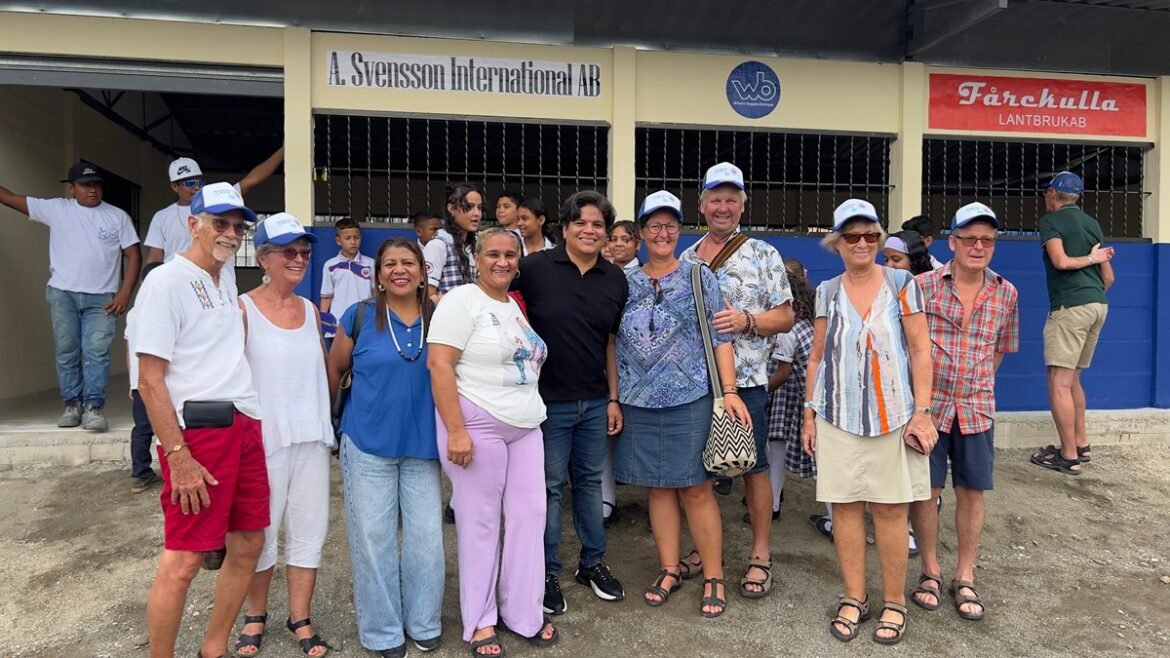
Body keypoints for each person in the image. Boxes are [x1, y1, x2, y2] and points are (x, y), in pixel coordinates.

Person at [134, 182, 268, 658]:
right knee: (186, 558)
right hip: (199, 433)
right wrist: (178, 455)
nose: (231, 233)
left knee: (249, 542)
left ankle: (213, 649)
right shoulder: (165, 282)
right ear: (192, 224)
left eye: (238, 225)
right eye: (220, 223)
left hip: (245, 422)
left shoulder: (225, 278)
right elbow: (150, 380)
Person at [802, 198, 936, 645]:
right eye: (851, 236)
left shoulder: (901, 282)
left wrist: (923, 410)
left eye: (870, 236)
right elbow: (818, 357)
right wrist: (809, 413)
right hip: (838, 415)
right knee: (844, 509)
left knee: (891, 511)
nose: (861, 243)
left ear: (879, 240)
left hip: (893, 415)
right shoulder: (826, 291)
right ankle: (854, 596)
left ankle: (894, 601)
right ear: (836, 242)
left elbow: (920, 349)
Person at [614, 190, 750, 618]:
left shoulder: (698, 276)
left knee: (695, 489)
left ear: (679, 230)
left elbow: (721, 337)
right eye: (653, 226)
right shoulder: (624, 281)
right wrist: (614, 396)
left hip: (690, 396)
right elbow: (611, 340)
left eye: (670, 225)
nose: (662, 233)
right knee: (657, 487)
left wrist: (729, 392)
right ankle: (670, 568)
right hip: (638, 399)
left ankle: (713, 575)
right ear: (641, 233)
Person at [427, 227, 557, 657]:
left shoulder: (512, 306)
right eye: (493, 254)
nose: (502, 262)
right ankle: (480, 620)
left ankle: (523, 611)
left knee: (529, 517)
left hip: (525, 426)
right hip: (477, 426)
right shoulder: (461, 300)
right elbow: (440, 365)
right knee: (480, 524)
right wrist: (457, 430)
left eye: (510, 255)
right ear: (476, 257)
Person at [679, 162, 794, 600]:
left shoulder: (764, 254)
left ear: (743, 205)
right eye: (715, 199)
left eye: (731, 199)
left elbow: (785, 316)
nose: (722, 207)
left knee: (753, 467)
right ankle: (704, 548)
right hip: (695, 381)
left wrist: (746, 320)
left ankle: (760, 552)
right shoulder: (687, 257)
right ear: (702, 205)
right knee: (699, 469)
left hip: (744, 381)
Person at [511, 191, 629, 615]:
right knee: (548, 488)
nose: (590, 230)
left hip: (595, 402)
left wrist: (613, 398)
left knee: (590, 484)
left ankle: (592, 563)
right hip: (546, 404)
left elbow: (610, 342)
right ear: (564, 228)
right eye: (581, 222)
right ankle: (545, 570)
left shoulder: (615, 278)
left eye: (598, 225)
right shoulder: (533, 268)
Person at [329, 238, 444, 658]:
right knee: (373, 540)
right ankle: (382, 631)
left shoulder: (441, 317)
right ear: (378, 274)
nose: (400, 270)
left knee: (427, 539)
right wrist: (334, 425)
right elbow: (336, 368)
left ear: (421, 270)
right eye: (390, 264)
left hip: (423, 447)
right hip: (367, 443)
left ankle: (424, 621)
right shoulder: (358, 316)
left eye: (408, 263)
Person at [909, 202, 1019, 623]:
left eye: (987, 240)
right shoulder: (923, 286)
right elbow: (908, 346)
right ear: (952, 242)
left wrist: (973, 383)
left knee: (972, 492)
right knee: (928, 492)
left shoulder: (1006, 292)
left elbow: (998, 351)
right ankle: (930, 570)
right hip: (929, 409)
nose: (978, 246)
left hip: (976, 408)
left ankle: (965, 574)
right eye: (969, 239)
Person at [235, 214, 334, 657]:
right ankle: (255, 614)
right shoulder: (242, 309)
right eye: (288, 251)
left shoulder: (311, 310)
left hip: (311, 437)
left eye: (304, 252)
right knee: (260, 533)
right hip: (265, 441)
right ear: (263, 258)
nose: (298, 259)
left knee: (309, 532)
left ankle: (301, 616)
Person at [0, 162, 141, 432]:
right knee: (67, 352)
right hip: (62, 294)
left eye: (98, 185)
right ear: (71, 188)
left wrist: (125, 292)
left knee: (96, 353)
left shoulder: (117, 216)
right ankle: (72, 405)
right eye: (87, 185)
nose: (93, 190)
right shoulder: (57, 210)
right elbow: (8, 198)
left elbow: (133, 254)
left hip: (102, 299)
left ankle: (94, 408)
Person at [1031, 172, 1116, 475]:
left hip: (1070, 307)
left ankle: (1068, 456)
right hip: (1098, 305)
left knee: (1059, 382)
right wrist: (1090, 291)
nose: (1044, 198)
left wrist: (1086, 266)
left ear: (1053, 195)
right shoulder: (1092, 224)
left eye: (1046, 194)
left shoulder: (1050, 222)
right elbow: (1109, 278)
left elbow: (1061, 261)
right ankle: (1081, 443)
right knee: (1074, 380)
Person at [144, 148, 285, 264]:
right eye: (189, 183)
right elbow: (154, 259)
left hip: (220, 285)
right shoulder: (162, 217)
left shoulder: (218, 200)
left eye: (199, 182)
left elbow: (252, 180)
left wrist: (284, 150)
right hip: (177, 287)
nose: (196, 188)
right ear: (175, 187)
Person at [762, 258, 816, 522]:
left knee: (776, 447)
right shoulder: (811, 323)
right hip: (808, 393)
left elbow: (782, 372)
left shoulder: (787, 330)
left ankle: (772, 503)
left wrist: (760, 392)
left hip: (795, 391)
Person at [126, 262, 165, 494]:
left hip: (139, 381)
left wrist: (132, 380)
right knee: (171, 425)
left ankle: (141, 474)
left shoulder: (133, 313)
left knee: (142, 428)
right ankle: (170, 470)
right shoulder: (160, 310)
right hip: (159, 380)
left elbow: (128, 346)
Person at [319, 217, 374, 346]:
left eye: (356, 237)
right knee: (341, 363)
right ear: (338, 241)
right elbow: (326, 296)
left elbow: (376, 293)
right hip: (339, 322)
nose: (353, 242)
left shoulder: (370, 264)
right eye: (348, 238)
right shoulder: (330, 265)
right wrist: (324, 321)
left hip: (365, 321)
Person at [423, 182, 482, 300]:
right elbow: (428, 295)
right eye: (469, 207)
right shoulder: (438, 245)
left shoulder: (475, 245)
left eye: (479, 207)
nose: (477, 213)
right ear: (451, 209)